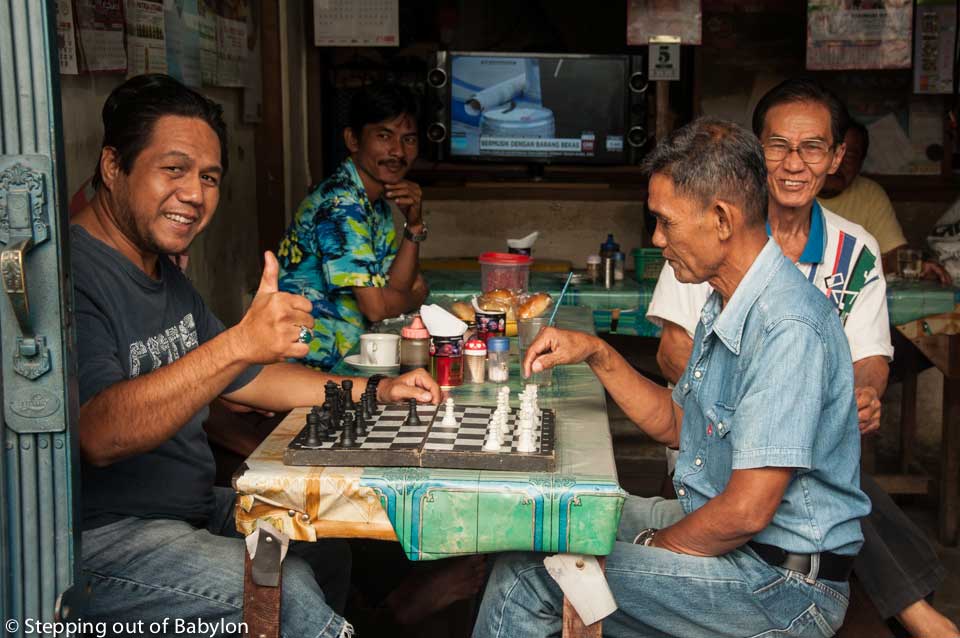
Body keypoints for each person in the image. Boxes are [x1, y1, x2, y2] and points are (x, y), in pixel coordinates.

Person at [71, 74, 441, 637]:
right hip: (106, 539)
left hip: (187, 508)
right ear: (113, 166)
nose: (194, 195)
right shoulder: (74, 274)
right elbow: (98, 435)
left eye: (209, 177)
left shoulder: (158, 266)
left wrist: (379, 391)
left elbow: (251, 376)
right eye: (173, 170)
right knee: (281, 592)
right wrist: (239, 341)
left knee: (324, 546)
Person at [473, 117, 870, 637]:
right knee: (548, 521)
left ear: (722, 219)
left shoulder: (786, 327)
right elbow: (683, 424)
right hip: (740, 547)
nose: (657, 239)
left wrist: (646, 552)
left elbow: (748, 511)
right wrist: (598, 352)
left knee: (534, 576)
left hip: (779, 586)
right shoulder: (727, 298)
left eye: (665, 222)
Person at [648, 79, 958, 638]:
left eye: (812, 147)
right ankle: (912, 607)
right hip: (715, 447)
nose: (794, 163)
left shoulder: (854, 248)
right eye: (777, 146)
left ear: (837, 158)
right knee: (809, 459)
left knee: (814, 453)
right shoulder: (717, 229)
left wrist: (851, 393)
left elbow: (870, 358)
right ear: (753, 152)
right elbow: (674, 352)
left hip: (797, 463)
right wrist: (762, 397)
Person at [277, 82, 429, 369]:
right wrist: (415, 297)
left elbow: (396, 286)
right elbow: (376, 308)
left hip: (347, 361)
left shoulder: (375, 201)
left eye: (408, 139)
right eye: (384, 136)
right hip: (311, 366)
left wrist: (415, 224)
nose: (398, 151)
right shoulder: (341, 204)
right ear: (353, 140)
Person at [818, 120, 951, 284]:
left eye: (850, 157)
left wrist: (919, 267)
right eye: (833, 153)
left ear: (860, 164)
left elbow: (893, 254)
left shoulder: (869, 194)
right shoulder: (793, 193)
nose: (838, 164)